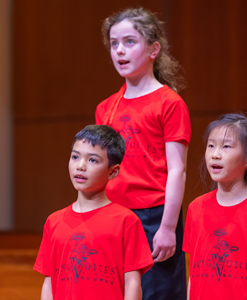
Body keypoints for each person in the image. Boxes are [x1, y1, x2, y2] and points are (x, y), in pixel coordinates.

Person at [96, 7, 191, 300]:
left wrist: (167, 228)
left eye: (129, 42)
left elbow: (177, 170)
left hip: (154, 217)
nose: (120, 51)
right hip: (114, 215)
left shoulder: (169, 103)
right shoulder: (105, 108)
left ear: (153, 49)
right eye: (114, 43)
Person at [34, 125, 154, 300]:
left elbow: (132, 283)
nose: (80, 166)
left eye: (93, 160)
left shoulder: (126, 221)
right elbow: (49, 282)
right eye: (75, 157)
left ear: (113, 171)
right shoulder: (54, 221)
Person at [183, 113, 247, 299]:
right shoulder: (195, 208)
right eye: (211, 145)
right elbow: (194, 273)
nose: (215, 154)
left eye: (226, 146)